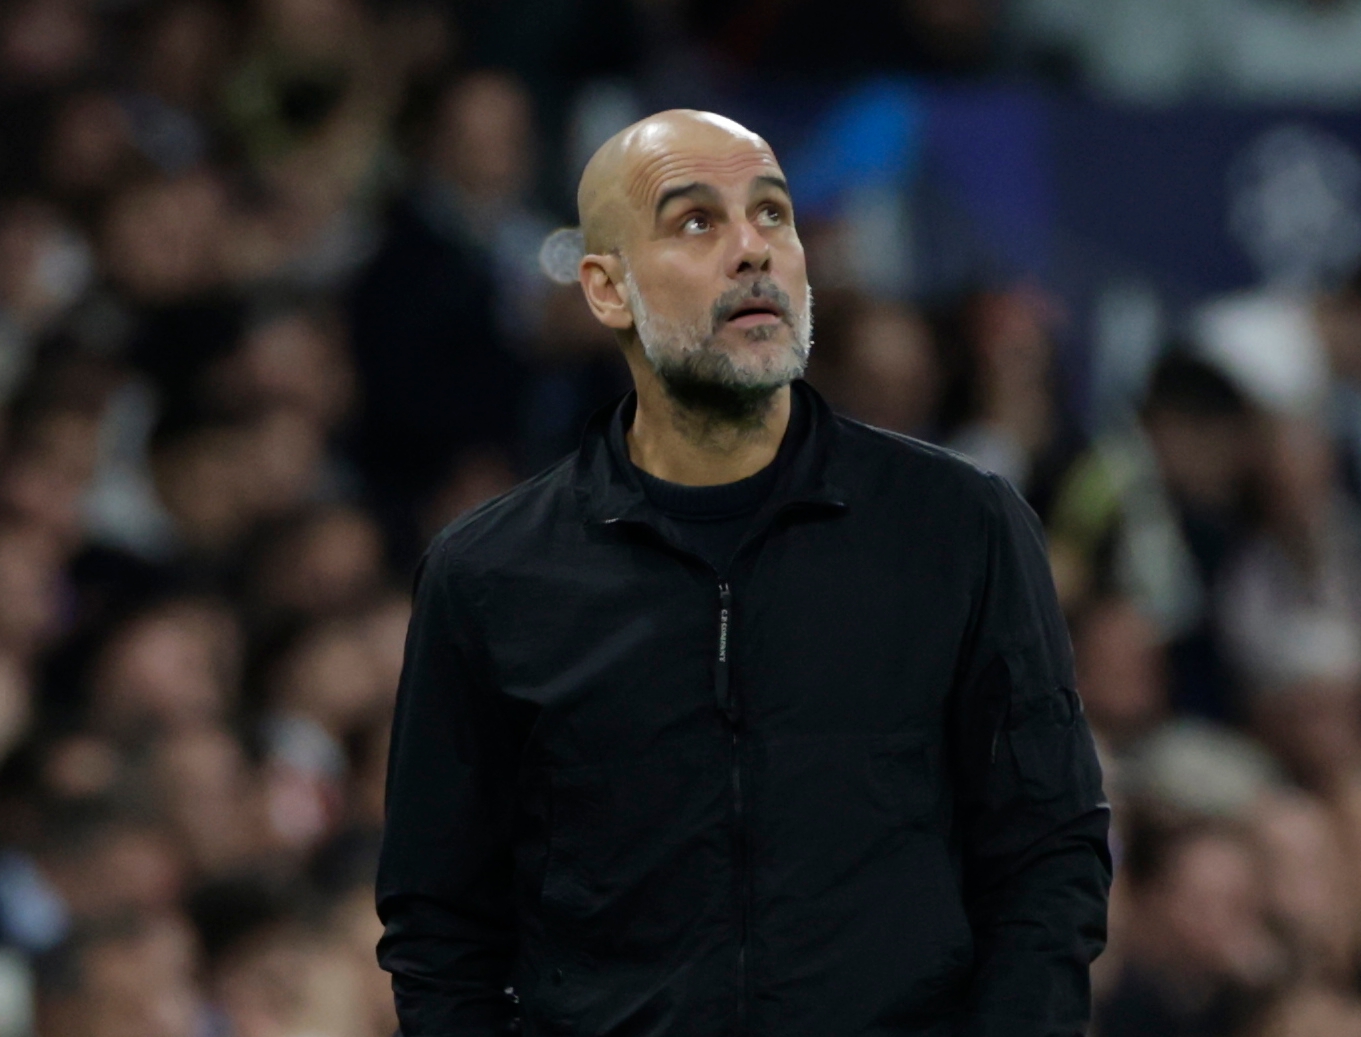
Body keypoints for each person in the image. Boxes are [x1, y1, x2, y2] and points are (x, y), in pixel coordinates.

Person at [375, 109, 1112, 1037]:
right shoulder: (489, 574)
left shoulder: (961, 527)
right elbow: (440, 924)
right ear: (606, 289)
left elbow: (1049, 854)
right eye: (695, 222)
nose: (753, 251)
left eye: (773, 215)